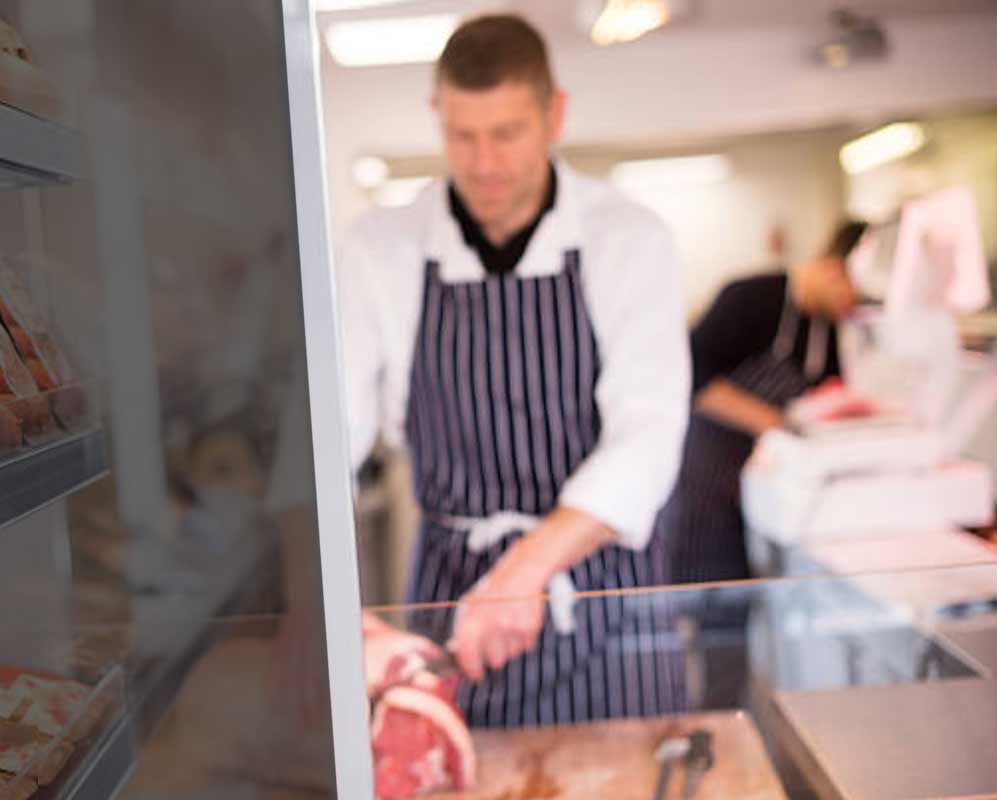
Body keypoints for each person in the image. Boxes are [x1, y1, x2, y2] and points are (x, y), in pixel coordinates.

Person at [337, 14, 690, 727]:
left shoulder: (627, 238)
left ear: (553, 114)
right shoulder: (380, 248)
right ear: (436, 116)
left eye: (507, 133)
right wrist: (317, 604)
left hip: (599, 590)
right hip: (451, 592)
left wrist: (527, 567)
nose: (485, 162)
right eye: (463, 136)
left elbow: (648, 437)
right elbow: (323, 440)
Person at [663, 220, 868, 584]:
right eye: (857, 294)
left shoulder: (825, 326)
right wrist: (774, 422)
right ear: (834, 272)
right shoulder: (751, 297)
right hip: (707, 468)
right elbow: (690, 374)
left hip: (761, 469)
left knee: (754, 579)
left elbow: (828, 389)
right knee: (715, 583)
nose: (854, 308)